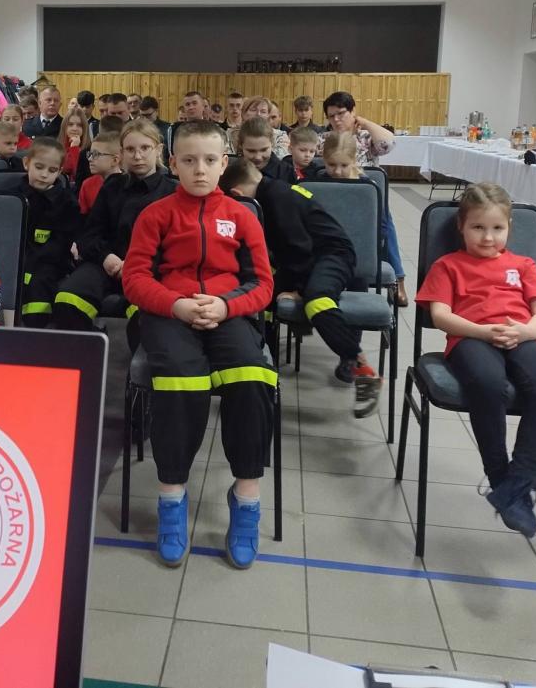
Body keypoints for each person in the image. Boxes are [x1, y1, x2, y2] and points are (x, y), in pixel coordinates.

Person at [123, 119, 275, 569]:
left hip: (227, 311)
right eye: (189, 160)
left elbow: (263, 284)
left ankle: (246, 497)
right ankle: (172, 495)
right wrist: (176, 305)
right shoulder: (155, 215)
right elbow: (135, 279)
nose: (200, 169)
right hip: (170, 313)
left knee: (252, 376)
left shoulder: (243, 216)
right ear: (173, 163)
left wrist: (227, 306)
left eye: (210, 160)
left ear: (225, 163)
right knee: (179, 380)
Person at [415, 183, 536, 538]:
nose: (488, 237)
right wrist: (481, 331)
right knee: (488, 384)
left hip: (521, 335)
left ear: (509, 227)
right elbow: (440, 316)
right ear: (461, 226)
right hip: (471, 337)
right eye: (478, 227)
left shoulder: (523, 265)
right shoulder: (448, 265)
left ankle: (517, 487)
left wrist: (525, 332)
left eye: (497, 228)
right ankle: (499, 477)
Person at [222, 158, 382, 415]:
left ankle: (363, 369)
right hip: (310, 259)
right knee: (257, 295)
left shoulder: (276, 198)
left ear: (236, 195)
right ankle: (258, 371)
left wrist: (300, 288)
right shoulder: (271, 190)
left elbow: (299, 249)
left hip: (333, 255)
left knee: (316, 302)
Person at [52, 119, 175, 333]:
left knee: (145, 314)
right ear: (122, 153)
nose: (137, 156)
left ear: (158, 150)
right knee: (66, 299)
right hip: (105, 264)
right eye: (130, 149)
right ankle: (96, 345)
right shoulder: (112, 186)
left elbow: (175, 248)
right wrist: (106, 257)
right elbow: (90, 234)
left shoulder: (172, 192)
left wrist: (133, 265)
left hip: (149, 270)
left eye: (145, 148)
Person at [322, 93, 408, 306]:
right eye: (331, 116)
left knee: (384, 221)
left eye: (341, 114)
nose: (336, 120)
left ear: (353, 112)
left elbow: (388, 143)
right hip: (332, 192)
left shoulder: (365, 137)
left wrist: (365, 123)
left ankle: (398, 280)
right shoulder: (324, 140)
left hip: (365, 195)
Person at [13, 138, 80, 327]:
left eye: (52, 170)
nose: (44, 175)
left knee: (39, 283)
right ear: (26, 163)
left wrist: (33, 263)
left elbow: (62, 242)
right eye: (39, 167)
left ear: (60, 171)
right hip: (16, 260)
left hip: (51, 263)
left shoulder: (67, 202)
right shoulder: (12, 197)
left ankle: (37, 328)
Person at [78, 130, 122, 215]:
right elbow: (82, 217)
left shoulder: (128, 185)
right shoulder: (87, 184)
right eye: (90, 154)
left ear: (115, 160)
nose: (90, 159)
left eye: (96, 154)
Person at [236, 117, 293, 182]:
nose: (258, 157)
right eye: (251, 151)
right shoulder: (233, 174)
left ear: (272, 144)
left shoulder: (287, 173)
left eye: (263, 150)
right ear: (241, 146)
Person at [58, 107, 89, 179]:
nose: (74, 129)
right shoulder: (56, 148)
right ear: (64, 126)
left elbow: (76, 173)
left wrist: (74, 148)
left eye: (79, 125)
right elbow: (65, 169)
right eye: (70, 124)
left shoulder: (89, 150)